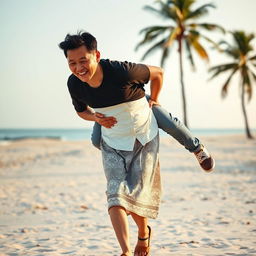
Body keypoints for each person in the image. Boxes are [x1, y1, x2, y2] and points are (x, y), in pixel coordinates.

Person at [58, 31, 214, 256]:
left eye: (83, 60)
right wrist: (96, 118)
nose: (78, 67)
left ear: (96, 55)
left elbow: (158, 73)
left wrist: (155, 98)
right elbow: (82, 111)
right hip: (112, 136)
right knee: (114, 191)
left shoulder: (121, 71)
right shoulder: (74, 83)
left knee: (169, 123)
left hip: (142, 127)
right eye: (72, 62)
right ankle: (126, 252)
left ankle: (197, 148)